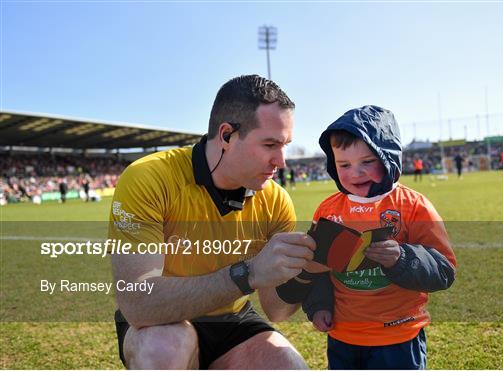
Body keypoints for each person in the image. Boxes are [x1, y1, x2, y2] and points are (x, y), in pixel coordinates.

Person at [109, 75, 316, 369]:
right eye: (270, 144)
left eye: (285, 145)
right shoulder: (149, 177)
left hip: (232, 318)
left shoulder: (276, 200)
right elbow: (138, 304)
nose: (281, 161)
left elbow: (276, 309)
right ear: (227, 135)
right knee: (163, 349)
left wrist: (307, 272)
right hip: (160, 321)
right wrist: (249, 273)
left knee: (289, 365)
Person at [302, 105, 457, 369]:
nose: (354, 173)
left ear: (388, 159)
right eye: (344, 164)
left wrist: (402, 257)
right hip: (343, 336)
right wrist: (318, 306)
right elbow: (317, 269)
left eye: (367, 162)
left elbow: (444, 269)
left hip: (397, 337)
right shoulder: (328, 211)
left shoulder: (413, 206)